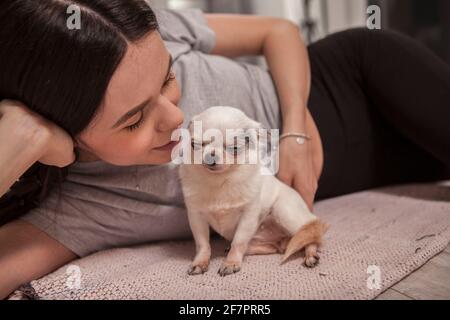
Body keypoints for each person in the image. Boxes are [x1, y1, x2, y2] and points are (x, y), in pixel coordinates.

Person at [0, 0, 449, 299]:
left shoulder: (133, 28)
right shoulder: (71, 212)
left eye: (168, 78)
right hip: (371, 170)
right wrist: (20, 141)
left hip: (352, 82)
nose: (177, 120)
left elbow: (277, 30)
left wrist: (294, 127)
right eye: (134, 119)